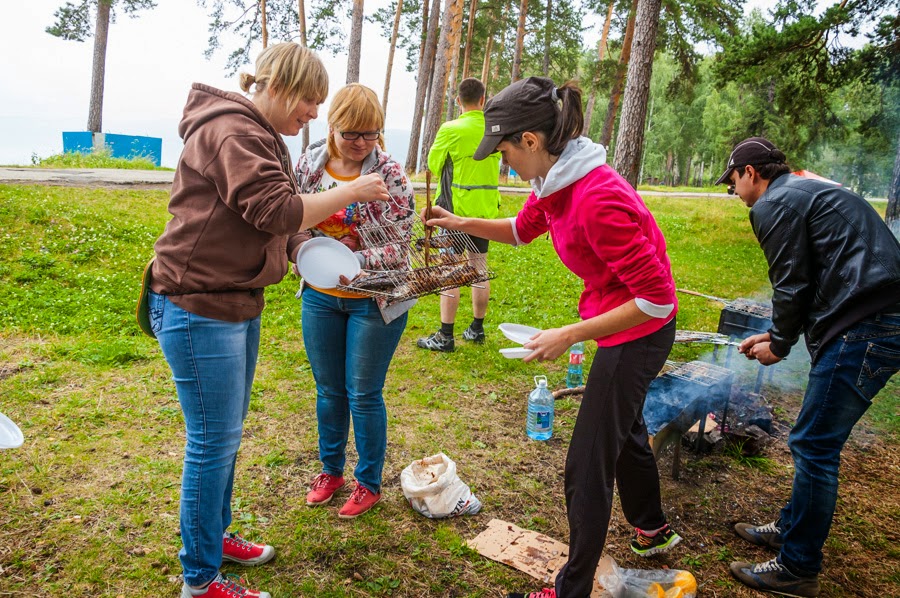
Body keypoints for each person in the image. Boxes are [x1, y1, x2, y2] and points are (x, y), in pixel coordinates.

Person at [423, 76, 682, 598]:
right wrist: (459, 219)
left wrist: (571, 333)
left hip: (640, 330)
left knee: (587, 461)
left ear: (531, 142)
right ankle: (652, 530)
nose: (504, 165)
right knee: (624, 429)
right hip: (619, 317)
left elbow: (657, 298)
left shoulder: (595, 196)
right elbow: (521, 230)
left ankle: (572, 588)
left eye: (503, 154)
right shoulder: (557, 181)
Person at [148, 44, 389, 598]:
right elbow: (277, 209)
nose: (310, 115)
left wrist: (308, 246)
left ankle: (214, 535)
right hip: (199, 305)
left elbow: (278, 222)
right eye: (308, 101)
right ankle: (201, 578)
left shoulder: (256, 133)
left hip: (230, 301)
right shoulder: (235, 131)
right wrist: (348, 193)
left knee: (223, 439)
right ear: (278, 84)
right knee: (212, 441)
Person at [716, 137, 900, 598]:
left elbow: (791, 283)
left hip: (868, 324)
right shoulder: (802, 190)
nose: (734, 191)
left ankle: (797, 569)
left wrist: (778, 346)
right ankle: (789, 528)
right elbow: (816, 275)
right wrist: (778, 336)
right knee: (814, 439)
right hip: (874, 316)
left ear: (752, 173)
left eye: (733, 181)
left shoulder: (773, 204)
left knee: (814, 445)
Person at [288, 83, 416, 519]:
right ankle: (330, 471)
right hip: (321, 298)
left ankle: (368, 482)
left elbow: (401, 247)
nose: (361, 143)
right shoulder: (308, 164)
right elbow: (292, 215)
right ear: (332, 127)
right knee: (328, 390)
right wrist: (300, 246)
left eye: (371, 134)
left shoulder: (391, 175)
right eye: (351, 134)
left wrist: (348, 259)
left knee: (363, 393)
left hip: (373, 301)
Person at [416, 77, 501, 352]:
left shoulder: (451, 129)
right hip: (485, 210)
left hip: (454, 209)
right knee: (479, 267)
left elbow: (433, 164)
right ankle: (476, 329)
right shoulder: (493, 128)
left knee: (449, 269)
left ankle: (445, 335)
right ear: (483, 99)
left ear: (458, 101)